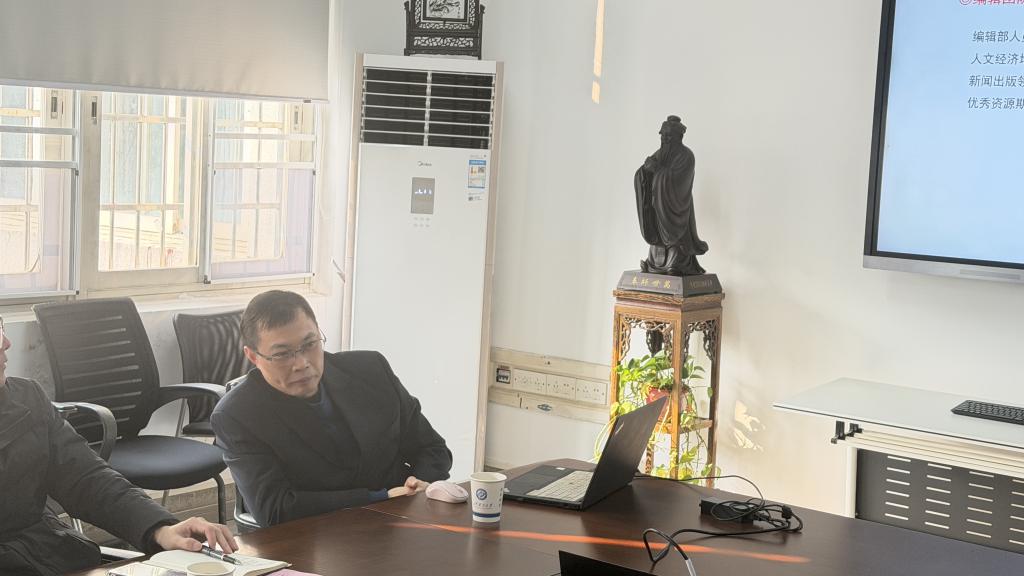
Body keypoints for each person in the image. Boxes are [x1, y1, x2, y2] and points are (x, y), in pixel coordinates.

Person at [0, 315, 237, 576]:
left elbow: (87, 479)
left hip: (46, 554)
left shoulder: (27, 399)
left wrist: (161, 529)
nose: (6, 342)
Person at [211, 290, 452, 527]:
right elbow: (274, 509)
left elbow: (433, 448)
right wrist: (381, 498)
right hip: (314, 539)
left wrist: (417, 485)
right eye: (282, 354)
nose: (302, 363)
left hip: (402, 522)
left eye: (309, 344)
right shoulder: (237, 415)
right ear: (253, 357)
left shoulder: (371, 370)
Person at [634, 115, 709, 276]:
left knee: (676, 240)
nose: (665, 139)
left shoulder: (686, 156)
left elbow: (678, 181)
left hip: (676, 206)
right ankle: (654, 264)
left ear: (679, 137)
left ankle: (676, 263)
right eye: (662, 135)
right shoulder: (660, 153)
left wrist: (657, 170)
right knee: (657, 238)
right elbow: (646, 171)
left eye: (669, 135)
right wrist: (644, 171)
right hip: (658, 206)